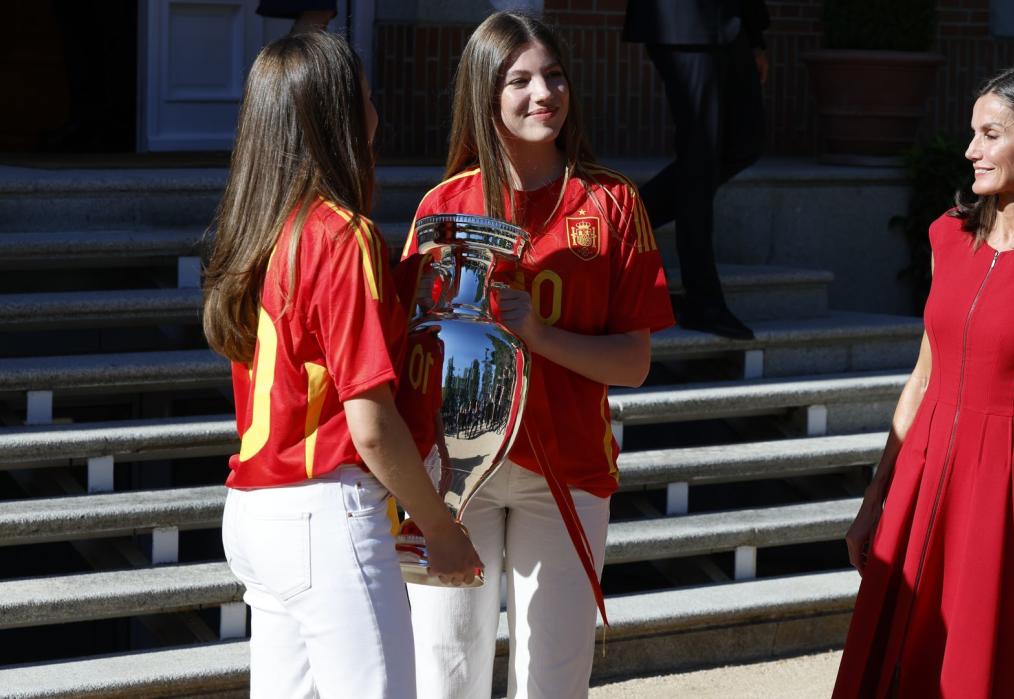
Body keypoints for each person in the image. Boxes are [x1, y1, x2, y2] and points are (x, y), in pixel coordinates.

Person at [395, 11, 675, 698]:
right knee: (445, 675)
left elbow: (634, 362)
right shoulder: (443, 207)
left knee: (551, 680)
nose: (542, 93)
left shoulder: (611, 202)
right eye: (519, 80)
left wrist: (542, 336)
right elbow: (408, 353)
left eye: (553, 76)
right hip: (454, 476)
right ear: (484, 94)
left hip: (568, 471)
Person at [201, 32, 481, 698]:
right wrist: (440, 529)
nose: (376, 111)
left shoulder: (260, 228)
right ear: (338, 116)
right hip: (324, 511)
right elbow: (371, 424)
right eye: (367, 96)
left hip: (252, 511)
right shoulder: (340, 231)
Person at [833, 68, 1014, 698]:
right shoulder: (947, 236)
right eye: (971, 134)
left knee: (988, 664)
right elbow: (923, 374)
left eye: (990, 135)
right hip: (923, 472)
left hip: (1010, 486)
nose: (971, 152)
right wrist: (874, 497)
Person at [622, 0, 769, 340]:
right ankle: (703, 299)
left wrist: (754, 35)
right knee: (699, 159)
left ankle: (625, 220)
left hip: (731, 23)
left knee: (746, 143)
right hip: (682, 18)